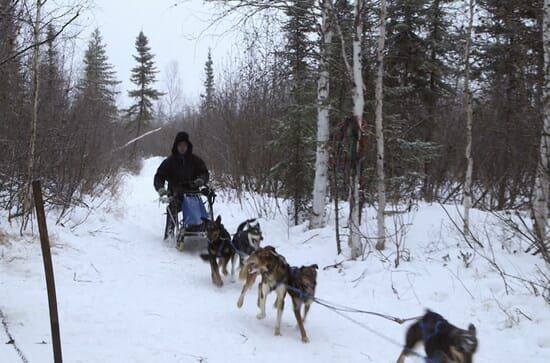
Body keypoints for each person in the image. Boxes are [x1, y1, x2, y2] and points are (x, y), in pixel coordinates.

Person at [154, 132, 210, 243]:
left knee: (198, 209)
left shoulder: (195, 160)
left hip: (193, 193)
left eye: (185, 145)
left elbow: (204, 173)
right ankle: (169, 235)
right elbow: (159, 176)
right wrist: (161, 188)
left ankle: (201, 227)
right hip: (176, 193)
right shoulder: (169, 162)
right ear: (176, 146)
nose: (182, 148)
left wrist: (201, 180)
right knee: (172, 208)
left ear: (188, 146)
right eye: (180, 145)